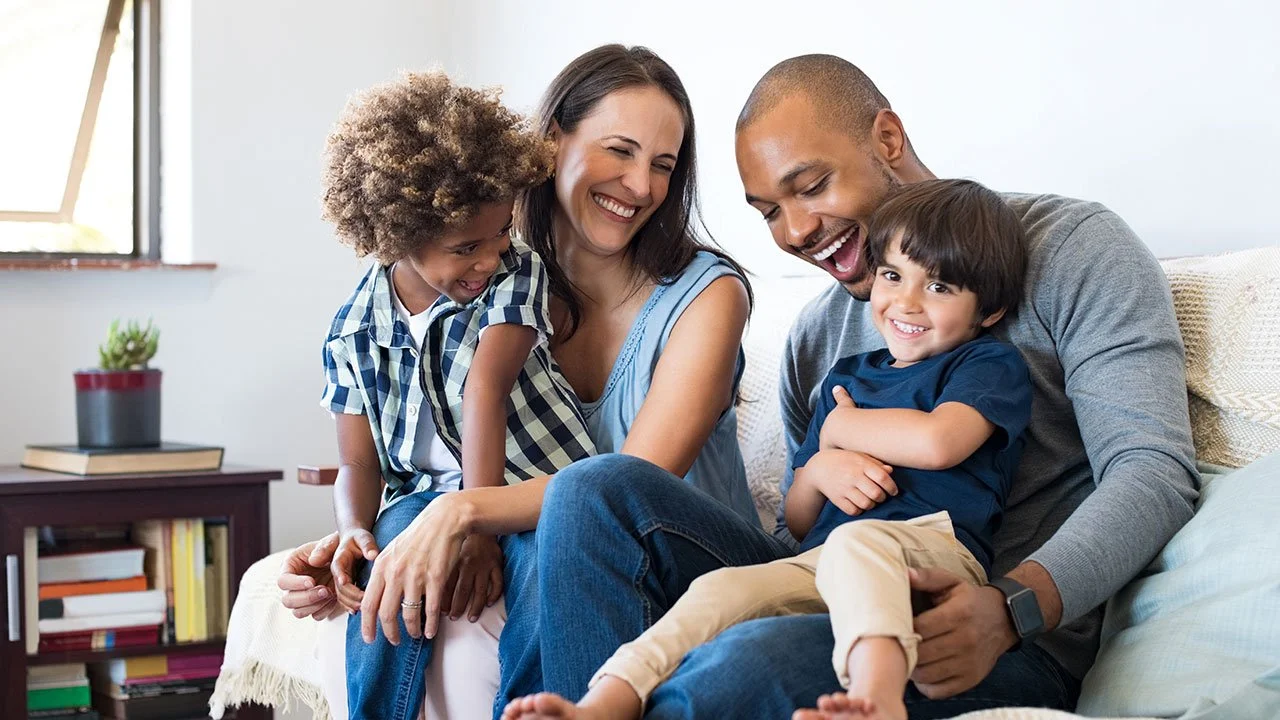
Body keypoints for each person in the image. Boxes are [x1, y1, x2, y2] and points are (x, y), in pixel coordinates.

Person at [514, 54, 1198, 719]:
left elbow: (1152, 472)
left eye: (810, 187)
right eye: (769, 212)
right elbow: (799, 530)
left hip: (986, 629)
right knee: (591, 490)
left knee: (746, 662)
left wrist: (1011, 608)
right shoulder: (818, 338)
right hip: (831, 583)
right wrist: (819, 472)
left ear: (888, 140)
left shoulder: (1072, 248)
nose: (797, 231)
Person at [277, 44, 761, 720]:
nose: (643, 185)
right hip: (560, 536)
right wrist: (362, 539)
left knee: (580, 507)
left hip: (689, 556)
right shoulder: (487, 279)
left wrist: (463, 512)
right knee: (408, 539)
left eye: (662, 165)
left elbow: (625, 488)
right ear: (552, 139)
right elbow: (419, 443)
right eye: (620, 150)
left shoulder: (706, 297)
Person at [503, 178, 1032, 720]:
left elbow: (940, 442)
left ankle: (876, 700)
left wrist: (841, 432)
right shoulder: (847, 379)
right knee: (719, 591)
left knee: (859, 545)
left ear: (987, 311)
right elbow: (799, 520)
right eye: (893, 276)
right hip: (821, 561)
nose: (907, 302)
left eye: (940, 288)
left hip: (929, 555)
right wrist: (821, 465)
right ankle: (602, 702)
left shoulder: (985, 365)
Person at [305, 69, 598, 720]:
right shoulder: (353, 330)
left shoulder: (515, 273)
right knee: (390, 570)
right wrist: (354, 530)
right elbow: (359, 463)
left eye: (499, 235)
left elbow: (484, 393)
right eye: (466, 247)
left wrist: (480, 531)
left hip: (533, 487)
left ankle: (532, 709)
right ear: (396, 236)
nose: (489, 259)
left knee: (548, 574)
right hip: (422, 497)